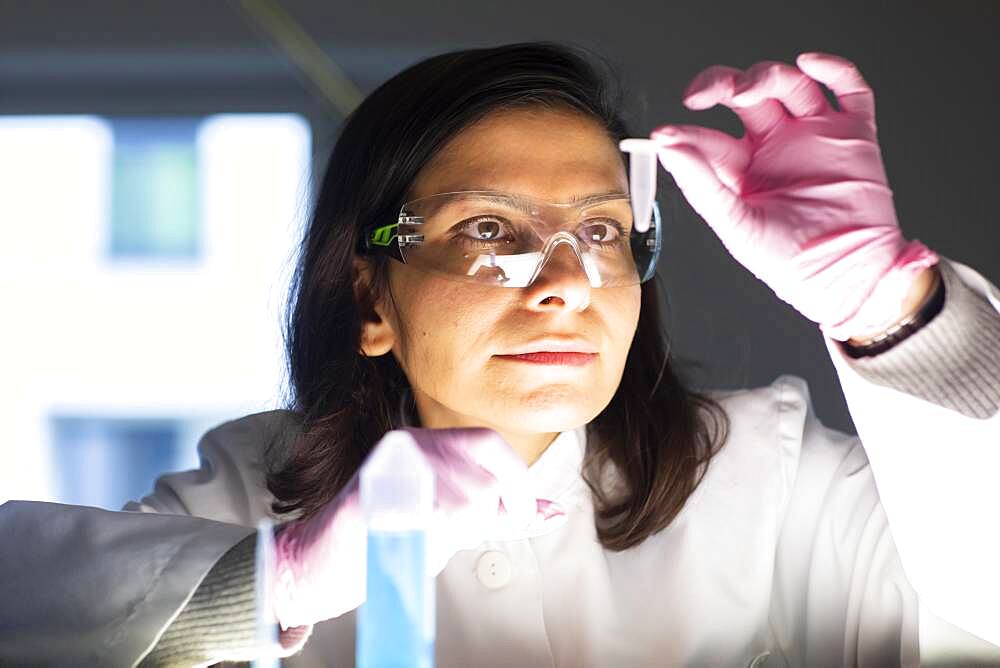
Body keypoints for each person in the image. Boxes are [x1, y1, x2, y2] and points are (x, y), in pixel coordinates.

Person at [1, 42, 998, 667]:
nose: (565, 279)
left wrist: (893, 305)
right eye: (487, 230)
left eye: (603, 232)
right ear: (370, 296)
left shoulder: (769, 471)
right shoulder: (249, 493)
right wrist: (281, 580)